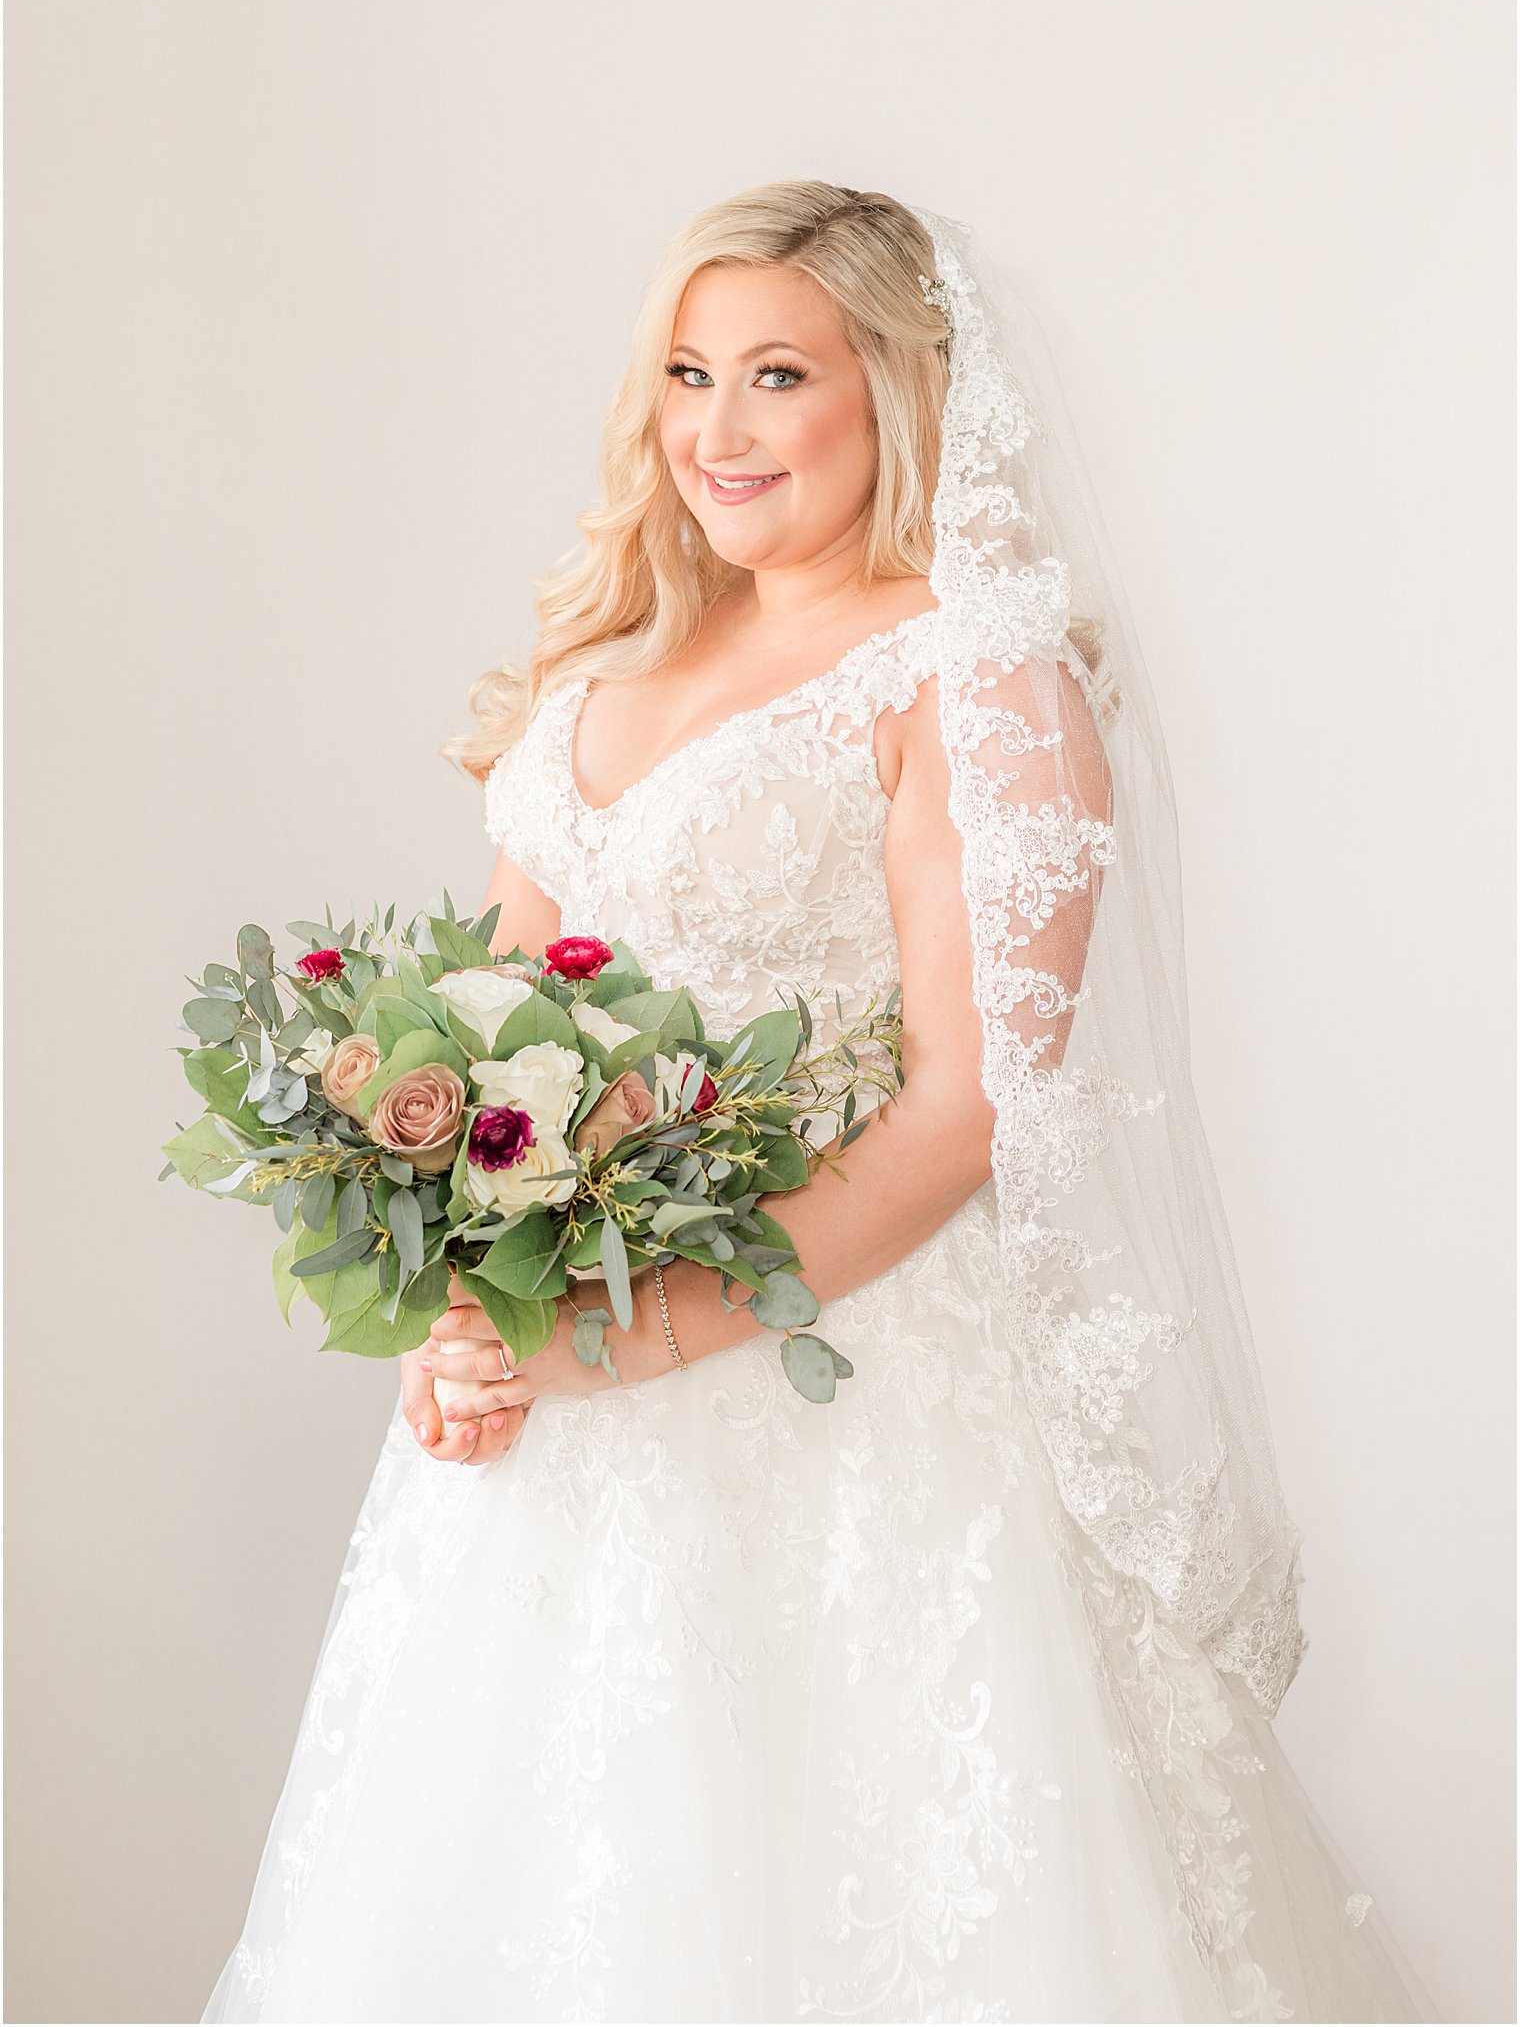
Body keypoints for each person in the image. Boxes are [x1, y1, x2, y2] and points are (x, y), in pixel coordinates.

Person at [201, 182, 1438, 2024]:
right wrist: (448, 1319)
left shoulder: (968, 672)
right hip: (553, 1424)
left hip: (846, 1384)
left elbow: (963, 1109)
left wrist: (658, 1331)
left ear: (901, 392)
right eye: (688, 373)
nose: (716, 428)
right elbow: (482, 1068)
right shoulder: (589, 693)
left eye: (778, 375)